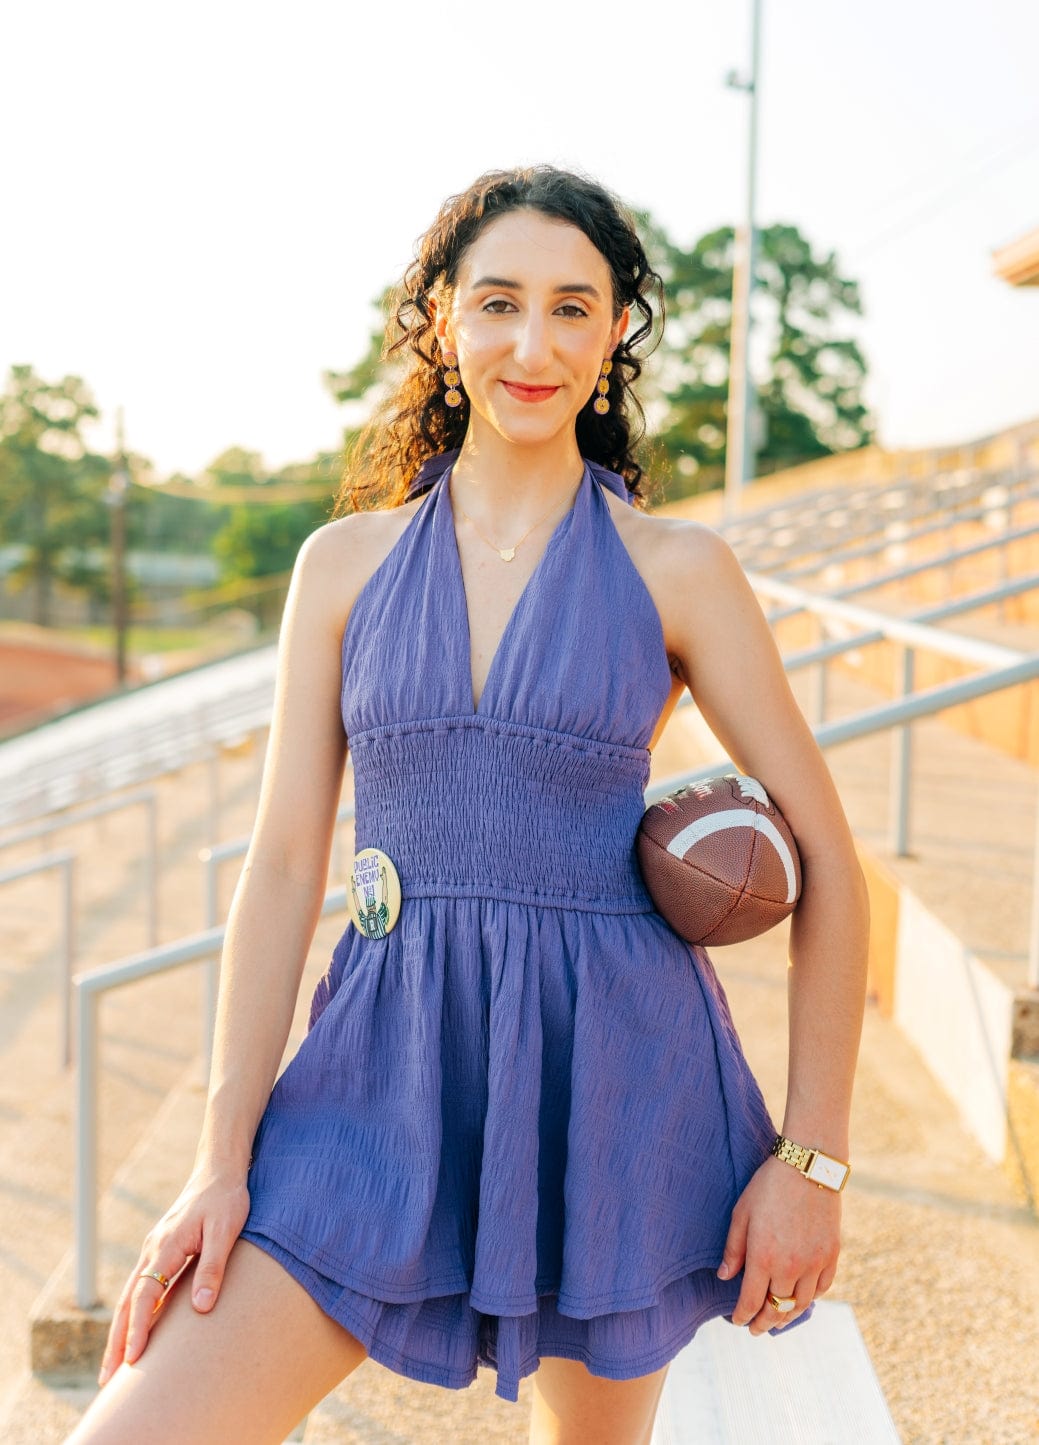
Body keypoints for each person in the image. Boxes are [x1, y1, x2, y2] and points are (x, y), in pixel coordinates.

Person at [70, 165, 869, 1445]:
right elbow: (282, 865)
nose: (531, 342)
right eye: (498, 302)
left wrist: (812, 1160)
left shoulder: (680, 572)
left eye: (571, 307)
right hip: (374, 1078)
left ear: (615, 336)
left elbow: (830, 861)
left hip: (614, 1088)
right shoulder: (343, 567)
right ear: (441, 320)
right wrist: (220, 1160)